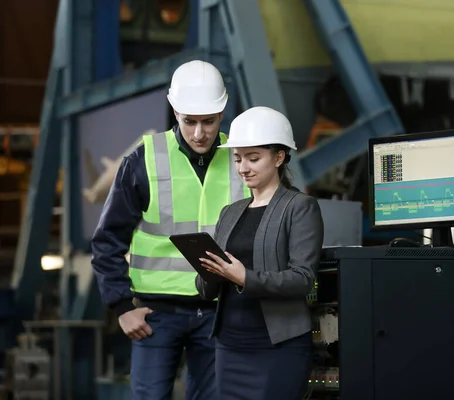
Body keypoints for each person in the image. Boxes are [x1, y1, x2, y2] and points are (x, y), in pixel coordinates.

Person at [90, 60, 250, 400]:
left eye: (208, 121)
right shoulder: (144, 160)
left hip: (219, 314)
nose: (199, 133)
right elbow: (107, 240)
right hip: (155, 317)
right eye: (189, 120)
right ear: (174, 110)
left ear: (223, 111)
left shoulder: (241, 160)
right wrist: (121, 307)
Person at [195, 106, 325, 400]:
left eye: (253, 158)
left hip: (277, 347)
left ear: (279, 157)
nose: (243, 168)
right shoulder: (230, 213)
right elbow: (207, 290)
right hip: (229, 344)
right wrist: (208, 270)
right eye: (239, 159)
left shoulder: (299, 207)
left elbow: (303, 278)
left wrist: (245, 278)